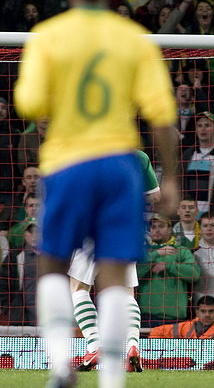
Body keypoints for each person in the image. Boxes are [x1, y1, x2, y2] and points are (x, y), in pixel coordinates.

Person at [12, 0, 178, 386]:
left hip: (68, 162)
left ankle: (60, 366)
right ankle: (111, 373)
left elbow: (29, 103)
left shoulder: (48, 37)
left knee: (53, 266)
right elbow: (161, 114)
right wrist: (172, 178)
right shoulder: (134, 38)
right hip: (120, 165)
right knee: (117, 272)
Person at [69, 150, 161, 373]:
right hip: (127, 226)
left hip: (93, 225)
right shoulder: (138, 156)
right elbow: (156, 196)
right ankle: (132, 347)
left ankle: (94, 345)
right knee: (126, 291)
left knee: (78, 287)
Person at [137, 214, 198, 328]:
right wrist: (156, 254)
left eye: (161, 226)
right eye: (153, 227)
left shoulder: (181, 251)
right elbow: (134, 275)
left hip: (176, 318)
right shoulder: (141, 252)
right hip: (147, 317)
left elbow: (195, 274)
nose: (157, 230)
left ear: (170, 229)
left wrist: (169, 265)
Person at [149, 295, 214, 340]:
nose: (207, 315)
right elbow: (156, 332)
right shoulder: (186, 327)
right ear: (197, 312)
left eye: (211, 311)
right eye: (203, 311)